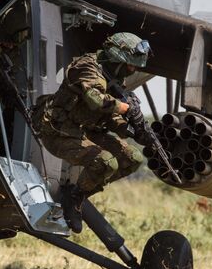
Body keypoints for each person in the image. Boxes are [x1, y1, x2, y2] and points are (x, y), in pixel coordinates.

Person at [32, 32, 151, 233]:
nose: (132, 70)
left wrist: (132, 130)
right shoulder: (87, 66)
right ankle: (74, 199)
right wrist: (125, 108)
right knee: (105, 162)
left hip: (88, 130)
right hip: (59, 131)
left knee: (134, 159)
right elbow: (95, 99)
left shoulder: (114, 77)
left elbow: (109, 116)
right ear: (117, 58)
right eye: (130, 65)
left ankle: (79, 194)